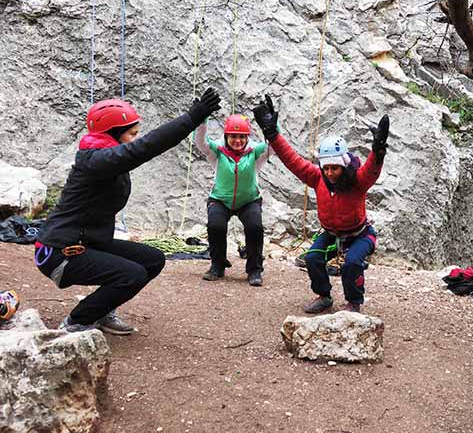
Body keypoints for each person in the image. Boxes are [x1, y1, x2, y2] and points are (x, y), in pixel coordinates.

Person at [34, 89, 221, 334]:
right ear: (113, 133)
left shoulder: (105, 157)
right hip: (59, 252)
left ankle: (100, 310)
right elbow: (146, 147)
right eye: (131, 134)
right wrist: (190, 119)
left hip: (86, 243)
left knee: (152, 260)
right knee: (132, 275)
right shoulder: (96, 160)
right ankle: (76, 323)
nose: (135, 139)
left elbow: (137, 149)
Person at [253, 96, 389, 313]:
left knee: (352, 262)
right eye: (326, 168)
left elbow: (372, 170)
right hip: (331, 233)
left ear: (343, 166)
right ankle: (323, 295)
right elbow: (292, 160)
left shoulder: (357, 181)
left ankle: (354, 302)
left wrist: (378, 149)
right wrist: (273, 135)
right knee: (313, 257)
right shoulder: (317, 178)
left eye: (334, 168)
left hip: (360, 234)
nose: (330, 173)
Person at [195, 113, 270, 286]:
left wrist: (271, 126)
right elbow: (201, 142)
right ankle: (217, 265)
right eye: (233, 136)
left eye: (242, 137)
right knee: (215, 226)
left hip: (249, 200)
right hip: (220, 199)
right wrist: (201, 120)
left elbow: (273, 146)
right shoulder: (218, 152)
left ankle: (254, 270)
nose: (238, 140)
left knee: (255, 228)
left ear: (247, 137)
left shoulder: (255, 151)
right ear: (226, 136)